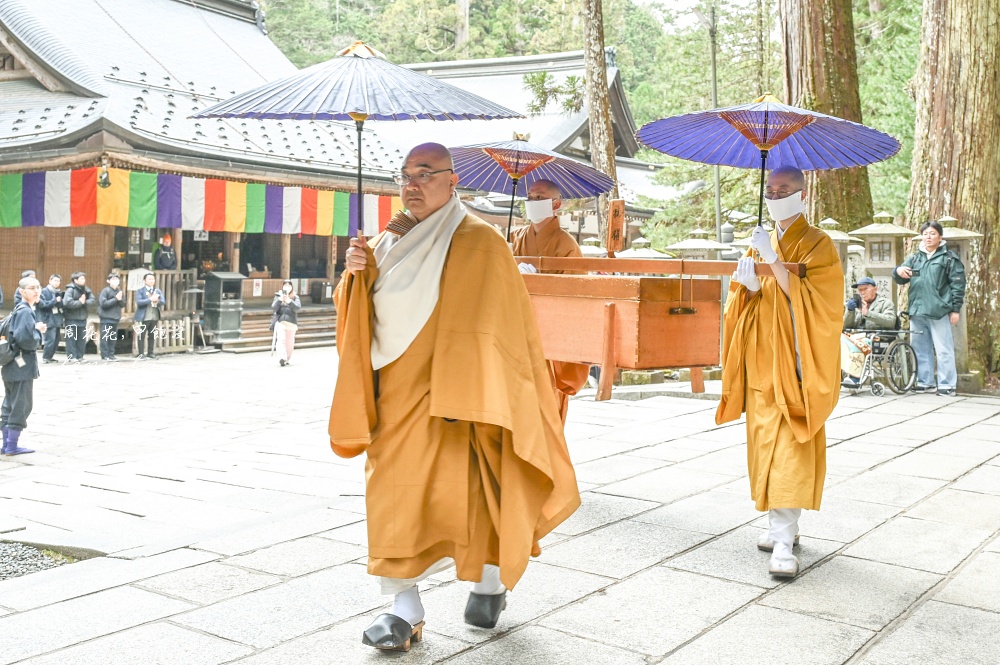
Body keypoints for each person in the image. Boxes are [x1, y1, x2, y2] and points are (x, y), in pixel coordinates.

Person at [330, 143, 580, 651]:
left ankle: (488, 581)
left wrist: (490, 388)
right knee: (392, 491)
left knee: (478, 485)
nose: (412, 184)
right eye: (405, 175)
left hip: (465, 395)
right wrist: (355, 273)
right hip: (396, 394)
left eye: (425, 173)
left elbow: (509, 330)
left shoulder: (480, 241)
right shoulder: (384, 239)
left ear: (452, 181)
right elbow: (359, 311)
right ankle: (402, 607)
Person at [716, 165, 844, 578]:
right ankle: (778, 522)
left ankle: (785, 541)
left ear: (801, 196)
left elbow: (819, 306)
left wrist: (774, 261)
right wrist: (750, 286)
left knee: (791, 443)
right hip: (760, 360)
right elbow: (746, 299)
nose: (774, 195)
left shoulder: (819, 244)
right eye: (770, 189)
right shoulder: (761, 241)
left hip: (794, 362)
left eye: (783, 189)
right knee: (763, 442)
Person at [509, 179, 590, 423]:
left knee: (546, 404)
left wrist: (539, 282)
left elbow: (572, 297)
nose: (532, 202)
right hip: (514, 328)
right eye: (530, 197)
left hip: (547, 336)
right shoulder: (514, 237)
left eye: (539, 197)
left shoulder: (566, 244)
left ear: (556, 204)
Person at [893, 220, 966, 396]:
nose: (928, 237)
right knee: (920, 348)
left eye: (932, 233)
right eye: (925, 234)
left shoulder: (948, 258)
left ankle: (947, 384)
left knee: (943, 349)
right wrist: (898, 271)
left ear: (940, 237)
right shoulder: (915, 257)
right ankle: (925, 382)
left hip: (938, 311)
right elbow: (901, 278)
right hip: (917, 311)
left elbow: (958, 285)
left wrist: (955, 309)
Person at [2, 276, 46, 456]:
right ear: (22, 292)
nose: (36, 291)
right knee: (22, 405)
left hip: (11, 365)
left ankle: (6, 445)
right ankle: (12, 446)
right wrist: (38, 331)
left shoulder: (17, 310)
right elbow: (26, 341)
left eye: (38, 287)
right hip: (22, 366)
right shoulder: (26, 311)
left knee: (9, 404)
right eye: (31, 288)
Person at [840, 277, 897, 388]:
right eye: (860, 290)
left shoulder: (886, 303)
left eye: (865, 289)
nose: (862, 292)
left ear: (875, 289)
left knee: (859, 342)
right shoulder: (857, 304)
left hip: (876, 338)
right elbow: (847, 326)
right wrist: (850, 311)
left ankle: (854, 378)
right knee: (839, 340)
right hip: (856, 336)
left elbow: (890, 321)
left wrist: (868, 313)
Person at [62, 272, 95, 363]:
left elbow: (92, 300)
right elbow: (67, 303)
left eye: (84, 278)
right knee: (71, 338)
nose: (83, 280)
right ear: (75, 280)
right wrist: (80, 302)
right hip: (71, 317)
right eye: (81, 279)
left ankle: (80, 356)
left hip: (82, 317)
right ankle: (72, 356)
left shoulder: (86, 290)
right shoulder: (70, 290)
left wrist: (83, 302)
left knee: (81, 338)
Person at [135, 272, 165, 360]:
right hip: (143, 316)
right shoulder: (140, 291)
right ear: (144, 281)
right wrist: (150, 299)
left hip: (154, 316)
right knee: (141, 335)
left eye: (153, 279)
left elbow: (163, 301)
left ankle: (150, 352)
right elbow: (139, 302)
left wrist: (157, 301)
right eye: (149, 279)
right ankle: (141, 353)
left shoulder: (157, 290)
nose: (152, 281)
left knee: (152, 335)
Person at [271, 280, 301, 367]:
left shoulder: (295, 297)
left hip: (291, 322)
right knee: (281, 340)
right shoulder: (278, 296)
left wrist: (289, 301)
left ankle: (287, 358)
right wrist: (280, 299)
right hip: (281, 321)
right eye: (285, 285)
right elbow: (274, 307)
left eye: (289, 285)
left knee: (289, 342)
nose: (287, 287)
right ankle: (281, 358)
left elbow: (297, 308)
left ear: (292, 287)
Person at [97, 274, 125, 361]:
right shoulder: (105, 291)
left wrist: (120, 299)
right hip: (106, 317)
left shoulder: (120, 291)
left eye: (117, 279)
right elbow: (103, 304)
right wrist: (115, 299)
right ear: (108, 281)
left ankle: (111, 354)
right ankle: (105, 355)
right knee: (105, 337)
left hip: (115, 317)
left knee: (113, 337)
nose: (115, 280)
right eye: (113, 279)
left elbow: (123, 304)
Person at [37, 274, 64, 364]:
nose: (56, 283)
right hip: (48, 318)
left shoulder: (59, 292)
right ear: (50, 281)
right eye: (55, 280)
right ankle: (45, 357)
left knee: (56, 340)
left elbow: (61, 305)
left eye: (58, 281)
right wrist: (55, 300)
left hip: (57, 318)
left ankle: (50, 356)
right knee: (50, 339)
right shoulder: (44, 291)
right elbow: (43, 305)